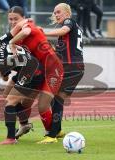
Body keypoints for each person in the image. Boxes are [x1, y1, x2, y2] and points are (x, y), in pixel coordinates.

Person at [5, 6, 64, 141]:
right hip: (39, 71)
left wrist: (12, 43)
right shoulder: (16, 34)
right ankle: (25, 126)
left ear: (23, 18)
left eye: (16, 19)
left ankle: (51, 134)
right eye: (10, 19)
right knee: (25, 103)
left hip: (53, 69)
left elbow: (26, 32)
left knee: (42, 105)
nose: (13, 22)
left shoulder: (27, 25)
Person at [39, 3, 85, 144]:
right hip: (74, 68)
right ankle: (56, 131)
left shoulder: (69, 22)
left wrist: (42, 32)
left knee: (57, 99)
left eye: (58, 12)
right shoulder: (69, 32)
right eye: (55, 12)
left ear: (67, 13)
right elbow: (60, 51)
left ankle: (52, 135)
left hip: (72, 67)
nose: (56, 15)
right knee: (57, 99)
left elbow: (63, 30)